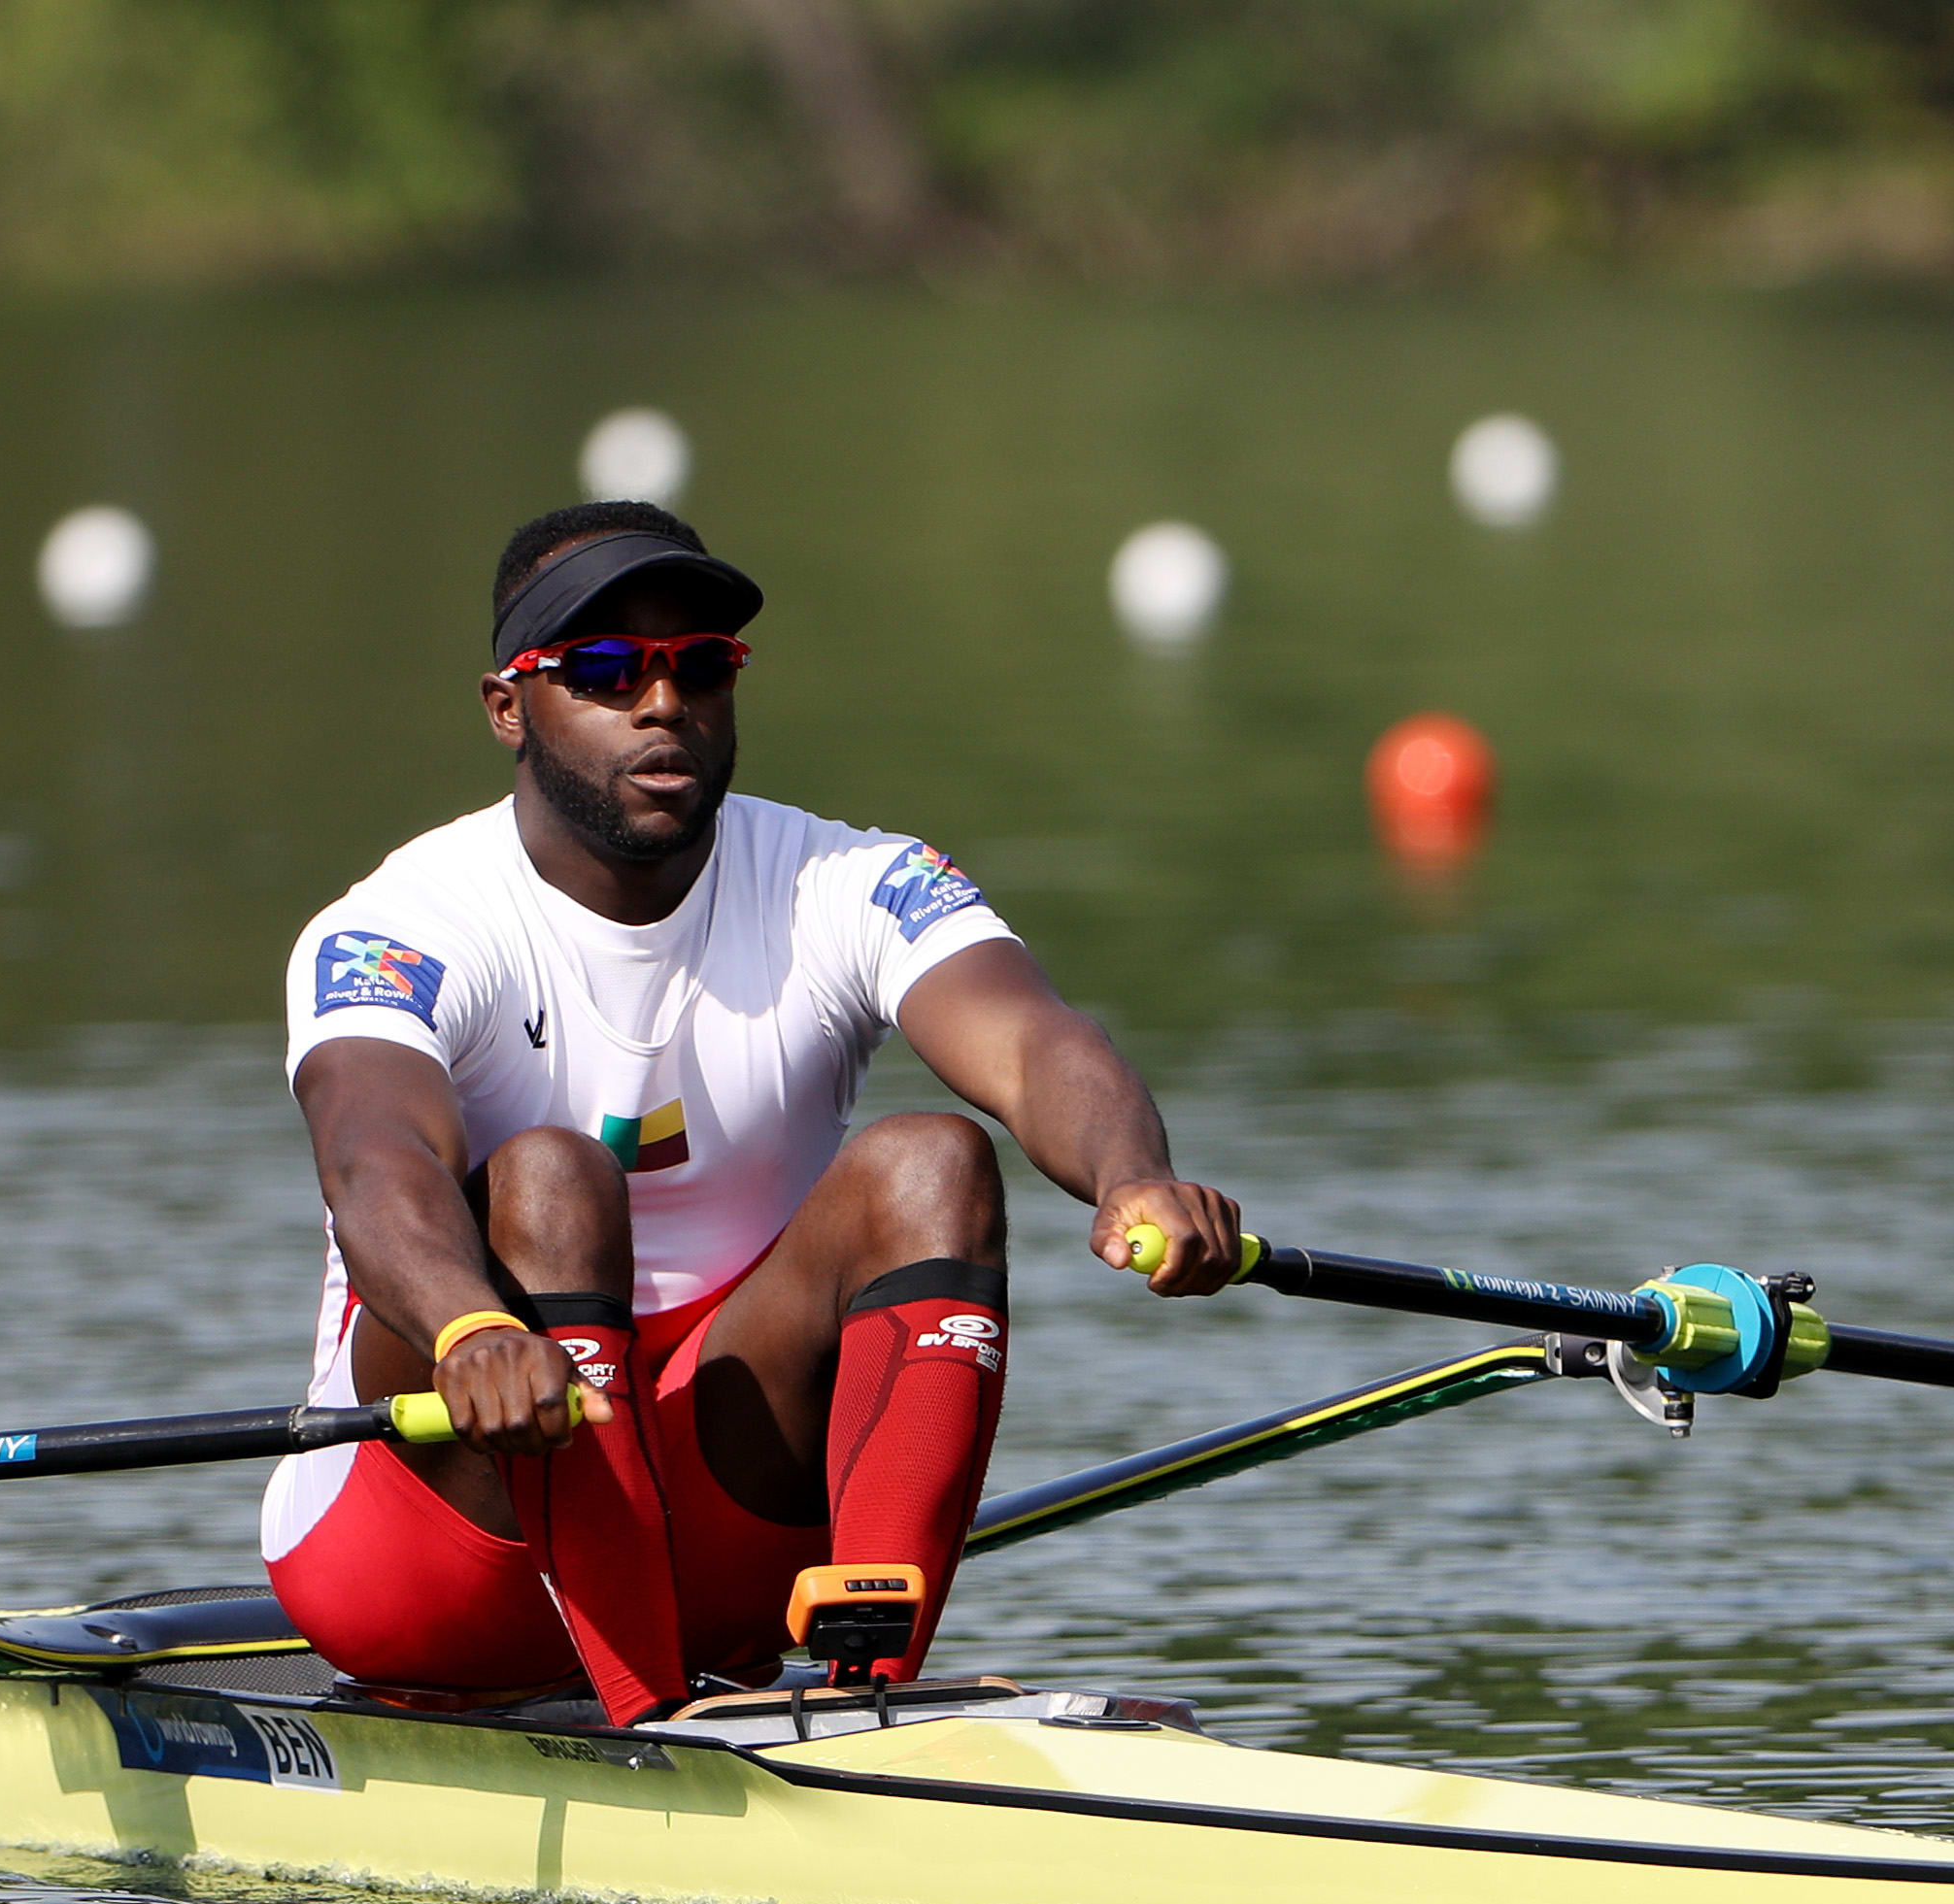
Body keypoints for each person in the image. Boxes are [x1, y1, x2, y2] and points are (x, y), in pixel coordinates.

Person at [263, 500, 1241, 1725]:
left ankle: (861, 1699)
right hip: (439, 1545)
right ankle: (646, 1714)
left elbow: (1034, 1040)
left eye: (699, 667)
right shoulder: (402, 925)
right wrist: (468, 1330)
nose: (661, 703)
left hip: (719, 1544)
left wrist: (1130, 1176)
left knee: (933, 1160)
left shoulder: (845, 880)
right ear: (507, 706)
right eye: (606, 671)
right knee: (556, 1179)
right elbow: (373, 1156)